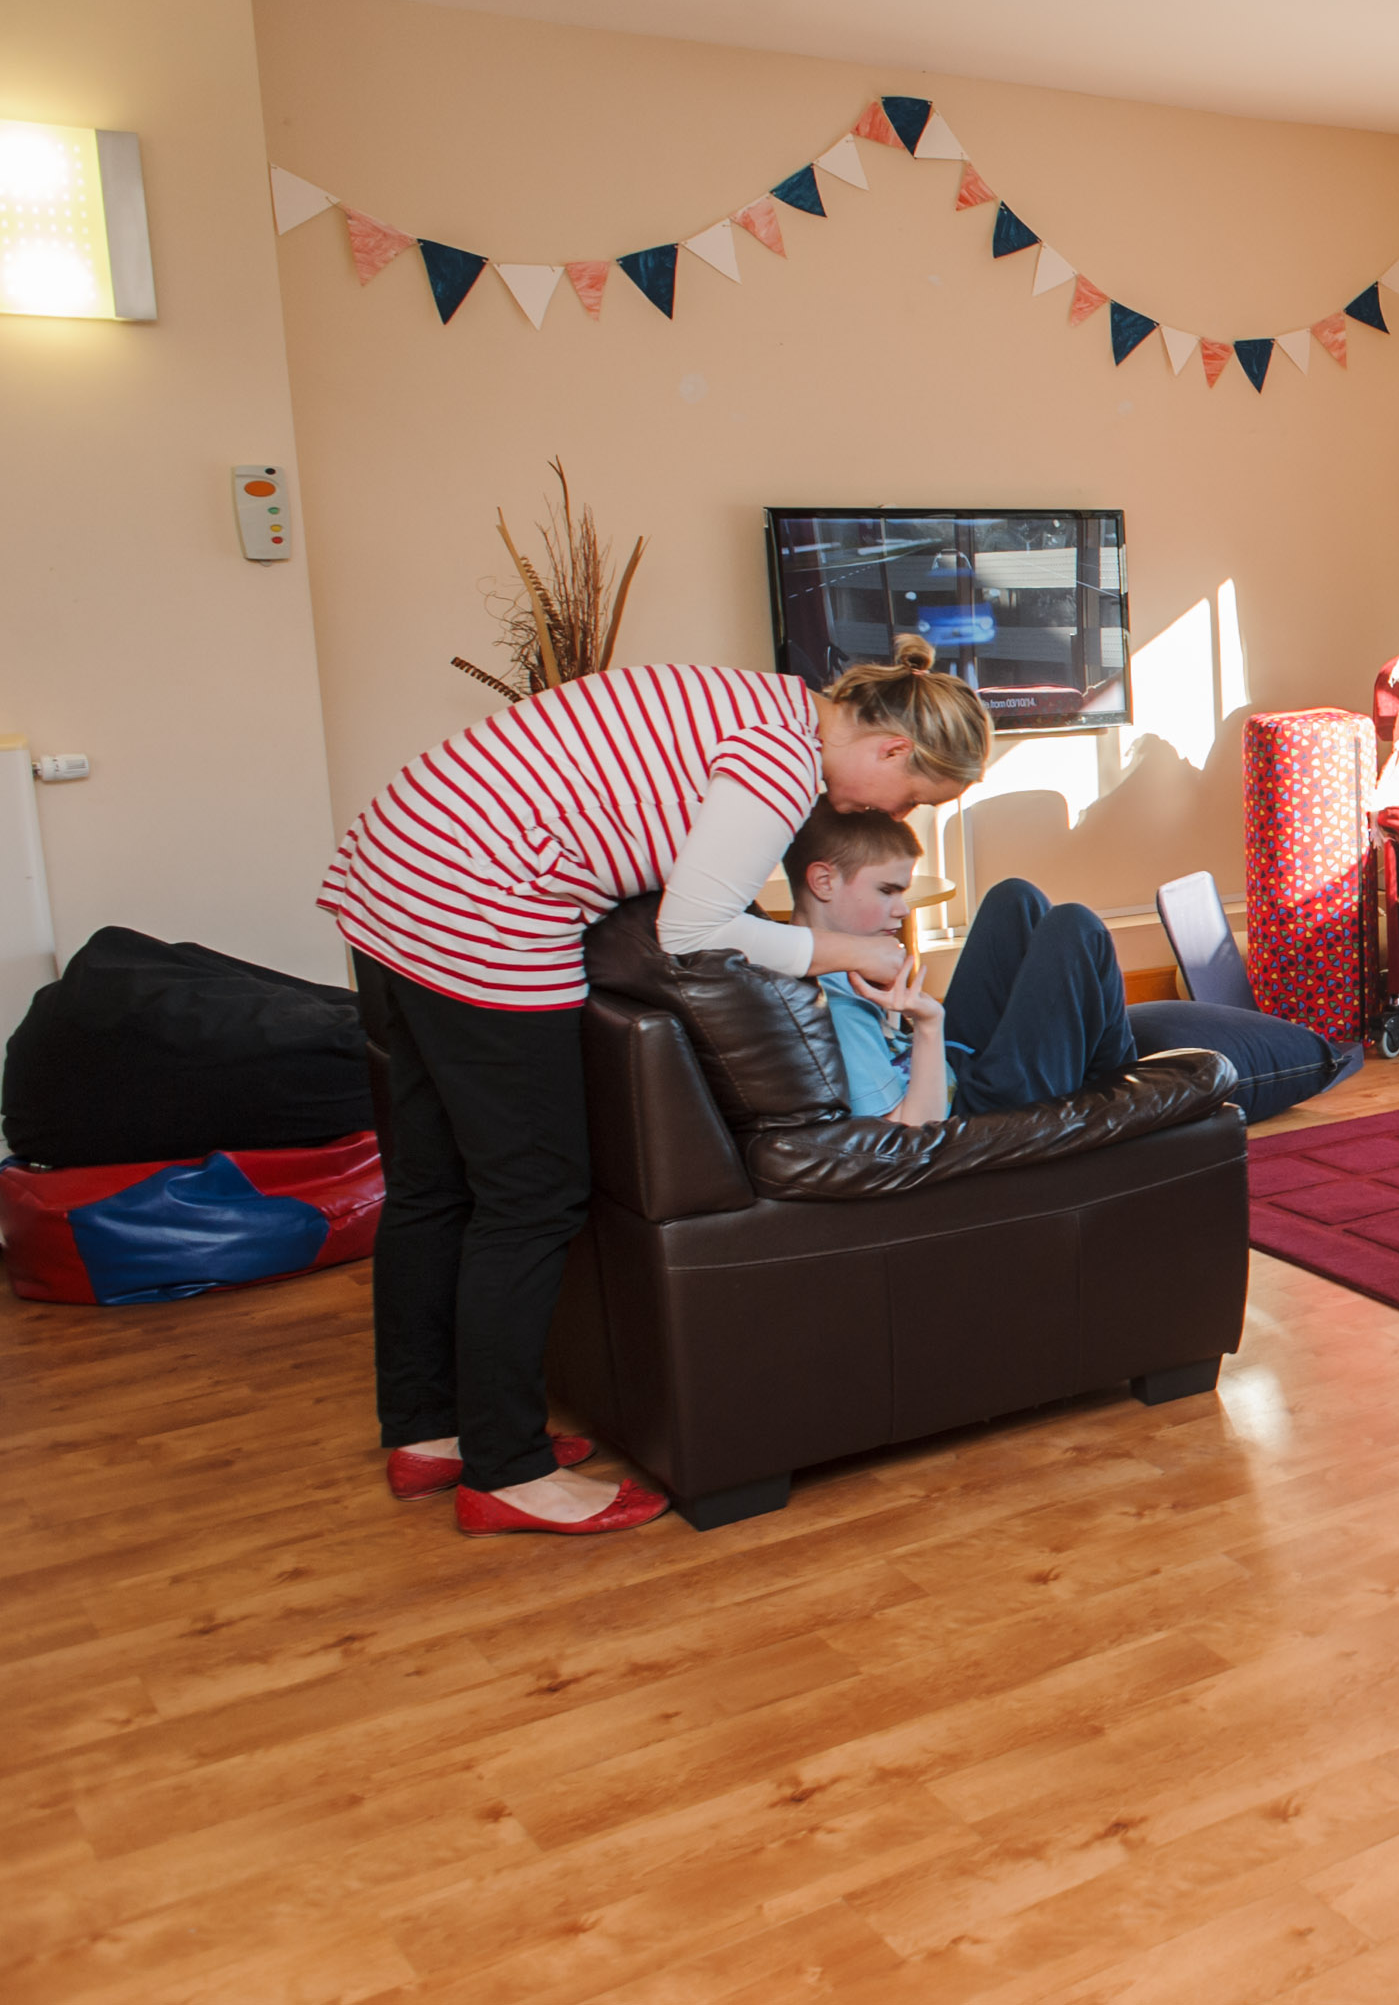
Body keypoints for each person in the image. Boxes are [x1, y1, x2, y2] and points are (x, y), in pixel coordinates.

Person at [319, 638, 990, 1536]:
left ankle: (427, 1428)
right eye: (912, 796)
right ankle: (507, 1471)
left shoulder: (764, 702)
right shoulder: (780, 760)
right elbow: (693, 928)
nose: (895, 811)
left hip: (400, 871)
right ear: (892, 747)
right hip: (479, 902)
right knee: (531, 1194)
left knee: (436, 1181)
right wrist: (848, 949)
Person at [787, 808, 1363, 1125]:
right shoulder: (830, 1005)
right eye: (887, 891)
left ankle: (1081, 1047)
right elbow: (910, 1133)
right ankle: (1115, 1082)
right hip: (979, 1110)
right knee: (1074, 926)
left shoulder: (823, 961)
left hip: (959, 1068)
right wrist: (929, 1024)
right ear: (823, 880)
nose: (902, 909)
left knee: (1014, 898)